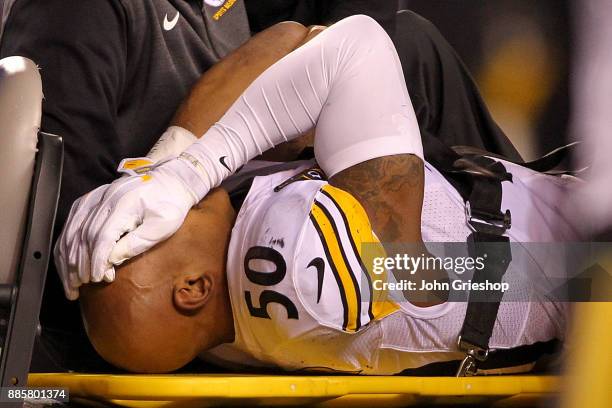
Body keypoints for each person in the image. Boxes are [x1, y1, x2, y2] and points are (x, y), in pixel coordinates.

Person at [66, 15, 576, 374]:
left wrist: (158, 167)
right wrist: (189, 174)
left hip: (526, 249)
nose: (151, 209)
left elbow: (290, 41)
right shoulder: (311, 269)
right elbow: (357, 46)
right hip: (578, 264)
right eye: (139, 229)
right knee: (410, 41)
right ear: (192, 288)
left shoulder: (223, 315)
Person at [1, 0, 395, 371]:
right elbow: (352, 43)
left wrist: (176, 168)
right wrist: (181, 172)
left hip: (264, 276)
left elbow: (301, 41)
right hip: (156, 305)